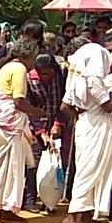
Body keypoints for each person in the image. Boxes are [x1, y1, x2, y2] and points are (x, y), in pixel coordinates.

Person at [0, 39, 44, 223]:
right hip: (7, 123)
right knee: (0, 166)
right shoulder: (20, 69)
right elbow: (18, 101)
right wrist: (37, 112)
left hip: (4, 121)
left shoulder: (7, 66)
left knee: (11, 165)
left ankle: (6, 208)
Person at [59, 42, 112, 223]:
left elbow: (65, 107)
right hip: (97, 126)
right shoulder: (94, 82)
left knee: (93, 169)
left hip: (87, 124)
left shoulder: (76, 80)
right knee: (89, 169)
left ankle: (86, 215)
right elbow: (108, 106)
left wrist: (81, 116)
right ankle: (72, 216)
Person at [23, 53, 66, 214]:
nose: (45, 77)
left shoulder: (60, 77)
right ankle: (29, 200)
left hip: (55, 123)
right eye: (42, 74)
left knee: (56, 162)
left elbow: (64, 100)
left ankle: (49, 201)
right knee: (33, 162)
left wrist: (57, 124)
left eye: (48, 73)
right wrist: (41, 132)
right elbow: (28, 108)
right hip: (34, 126)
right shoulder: (28, 80)